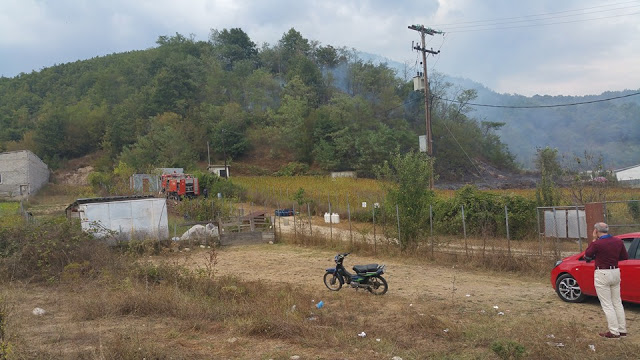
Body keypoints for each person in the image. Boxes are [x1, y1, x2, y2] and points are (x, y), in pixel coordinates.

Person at [585, 222, 628, 339]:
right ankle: (622, 329)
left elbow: (587, 255)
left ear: (596, 231)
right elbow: (624, 256)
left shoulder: (597, 244)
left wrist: (594, 239)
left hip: (602, 273)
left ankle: (614, 331)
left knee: (607, 304)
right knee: (617, 302)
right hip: (615, 271)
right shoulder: (618, 241)